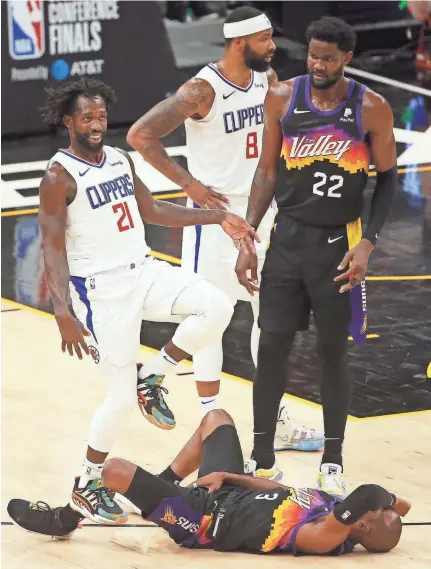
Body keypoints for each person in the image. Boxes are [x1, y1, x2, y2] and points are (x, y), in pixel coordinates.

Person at [37, 78, 258, 525]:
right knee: (116, 401)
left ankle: (153, 375)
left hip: (144, 270)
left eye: (100, 115)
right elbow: (52, 248)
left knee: (216, 306)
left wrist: (219, 217)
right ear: (68, 122)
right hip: (101, 291)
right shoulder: (58, 176)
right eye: (87, 117)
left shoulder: (118, 158)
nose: (96, 123)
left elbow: (153, 210)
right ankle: (87, 483)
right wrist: (63, 312)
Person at [126, 6, 324, 468]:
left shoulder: (265, 77)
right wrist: (192, 187)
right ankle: (210, 421)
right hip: (214, 219)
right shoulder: (201, 89)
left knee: (269, 316)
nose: (273, 45)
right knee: (211, 316)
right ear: (240, 43)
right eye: (265, 38)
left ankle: (273, 418)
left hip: (261, 209)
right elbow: (140, 135)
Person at [234, 16, 398, 495]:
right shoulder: (282, 97)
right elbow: (266, 172)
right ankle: (262, 459)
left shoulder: (372, 107)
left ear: (346, 58)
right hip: (288, 240)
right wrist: (247, 237)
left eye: (328, 57)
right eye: (313, 55)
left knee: (332, 354)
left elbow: (387, 179)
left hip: (339, 246)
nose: (318, 64)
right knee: (271, 351)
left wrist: (368, 242)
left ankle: (333, 461)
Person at [7, 409, 410, 557]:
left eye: (379, 513)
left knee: (113, 469)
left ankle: (64, 519)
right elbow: (284, 493)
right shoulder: (338, 512)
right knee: (216, 420)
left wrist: (386, 500)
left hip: (202, 522)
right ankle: (162, 487)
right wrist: (231, 475)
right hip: (227, 493)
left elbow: (369, 494)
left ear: (364, 523)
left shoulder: (327, 536)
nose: (381, 507)